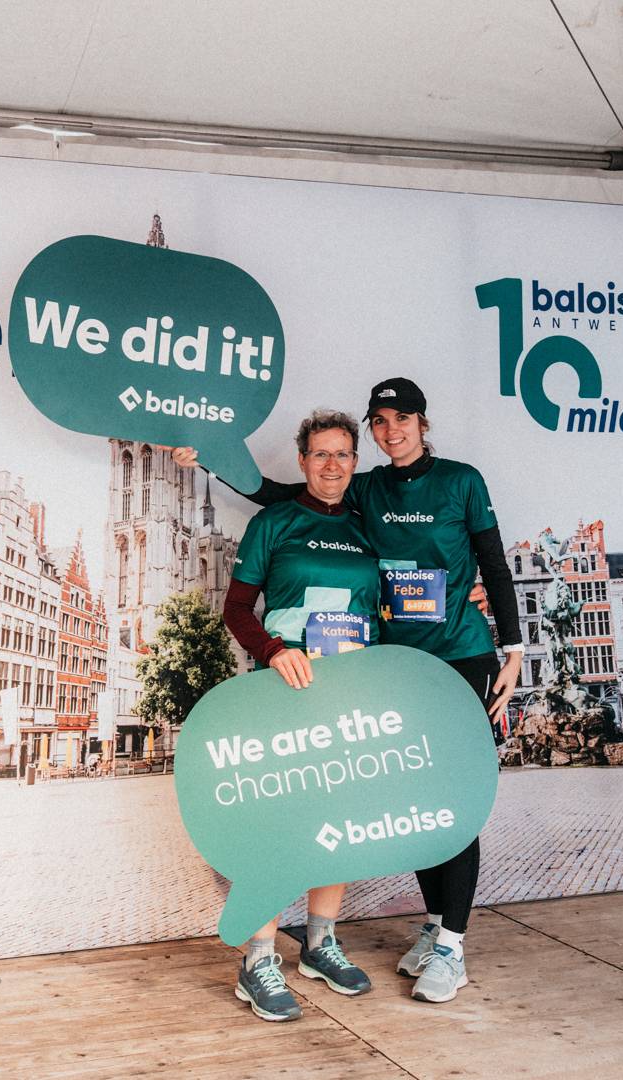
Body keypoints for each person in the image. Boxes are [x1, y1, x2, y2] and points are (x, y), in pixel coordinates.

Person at [173, 377, 524, 1005]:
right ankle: (275, 953)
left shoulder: (424, 492)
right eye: (378, 422)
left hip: (413, 668)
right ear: (307, 458)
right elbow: (269, 506)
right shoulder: (328, 504)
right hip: (330, 676)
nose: (335, 464)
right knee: (308, 809)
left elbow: (480, 565)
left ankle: (407, 943)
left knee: (407, 801)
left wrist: (506, 638)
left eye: (400, 420)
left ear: (419, 424)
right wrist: (206, 458)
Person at [220, 408, 378, 1022]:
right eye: (320, 454)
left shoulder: (369, 528)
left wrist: (465, 591)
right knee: (276, 824)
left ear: (355, 462)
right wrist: (273, 650)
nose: (332, 464)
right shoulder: (274, 522)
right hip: (283, 690)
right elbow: (237, 609)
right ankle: (259, 958)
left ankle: (319, 944)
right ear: (303, 461)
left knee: (338, 818)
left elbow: (397, 604)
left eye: (342, 454)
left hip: (347, 692)